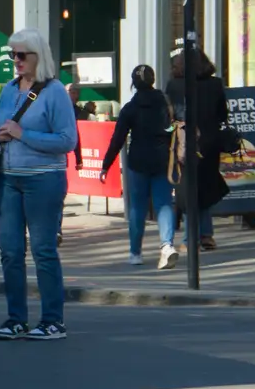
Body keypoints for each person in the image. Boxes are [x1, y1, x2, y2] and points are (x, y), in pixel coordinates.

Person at [0, 28, 77, 341]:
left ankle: (53, 320)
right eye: (13, 54)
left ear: (38, 56)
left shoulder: (54, 92)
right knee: (10, 252)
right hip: (9, 178)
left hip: (44, 179)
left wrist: (22, 134)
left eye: (22, 54)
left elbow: (68, 140)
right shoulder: (8, 89)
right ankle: (16, 318)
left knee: (43, 250)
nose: (16, 60)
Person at [99, 65, 178, 269]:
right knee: (164, 204)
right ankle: (167, 245)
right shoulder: (165, 104)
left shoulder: (130, 109)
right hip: (162, 160)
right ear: (152, 81)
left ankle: (135, 252)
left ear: (134, 84)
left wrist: (106, 165)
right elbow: (171, 128)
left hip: (138, 161)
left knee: (137, 208)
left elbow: (118, 139)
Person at [165, 51, 231, 251]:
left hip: (186, 141)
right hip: (210, 142)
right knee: (206, 186)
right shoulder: (215, 84)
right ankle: (206, 235)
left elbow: (170, 113)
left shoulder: (174, 85)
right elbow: (222, 114)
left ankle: (189, 238)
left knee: (187, 190)